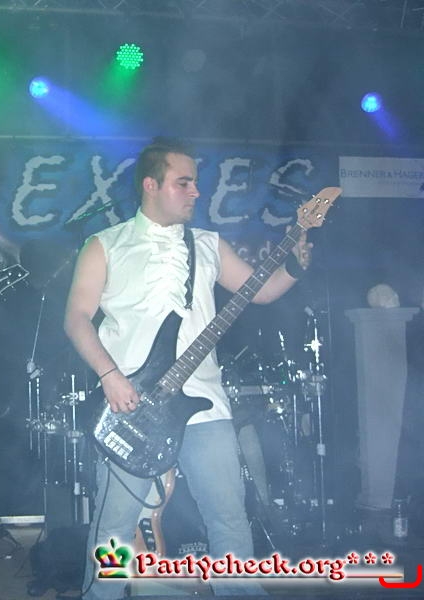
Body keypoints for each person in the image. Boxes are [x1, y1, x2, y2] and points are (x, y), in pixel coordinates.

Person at [63, 137, 311, 598]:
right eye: (184, 183)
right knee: (114, 528)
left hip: (204, 404)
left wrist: (294, 267)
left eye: (196, 182)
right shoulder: (105, 245)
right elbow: (76, 318)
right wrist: (110, 376)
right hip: (131, 406)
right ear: (151, 185)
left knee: (229, 520)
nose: (196, 191)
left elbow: (261, 291)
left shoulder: (208, 244)